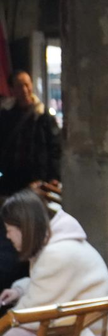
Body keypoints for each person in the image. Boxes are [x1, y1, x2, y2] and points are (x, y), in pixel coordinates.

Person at [0, 189, 108, 336]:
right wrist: (19, 290)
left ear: (25, 227)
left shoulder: (57, 254)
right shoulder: (59, 244)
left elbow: (29, 314)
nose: (8, 236)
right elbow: (48, 285)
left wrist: (5, 323)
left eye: (9, 230)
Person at [0, 70, 62, 291]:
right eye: (19, 86)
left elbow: (55, 149)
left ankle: (29, 278)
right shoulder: (6, 118)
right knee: (11, 233)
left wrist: (53, 178)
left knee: (32, 230)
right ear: (13, 90)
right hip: (11, 186)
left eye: (27, 85)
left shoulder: (43, 116)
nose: (25, 90)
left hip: (37, 185)